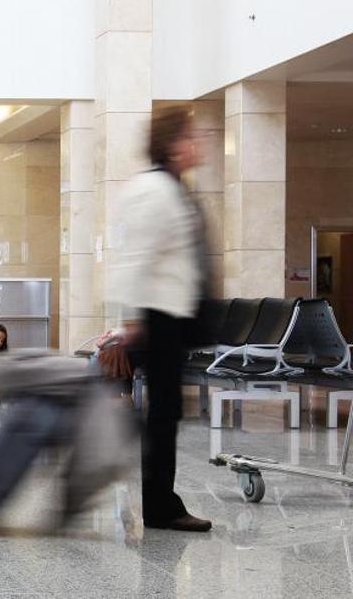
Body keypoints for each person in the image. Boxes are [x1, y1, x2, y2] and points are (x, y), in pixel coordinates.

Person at [116, 107, 213, 534]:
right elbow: (138, 257)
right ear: (173, 144)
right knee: (162, 413)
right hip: (158, 315)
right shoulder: (155, 190)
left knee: (165, 412)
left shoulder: (173, 188)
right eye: (192, 136)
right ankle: (160, 505)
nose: (199, 144)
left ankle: (161, 502)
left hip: (170, 313)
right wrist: (135, 318)